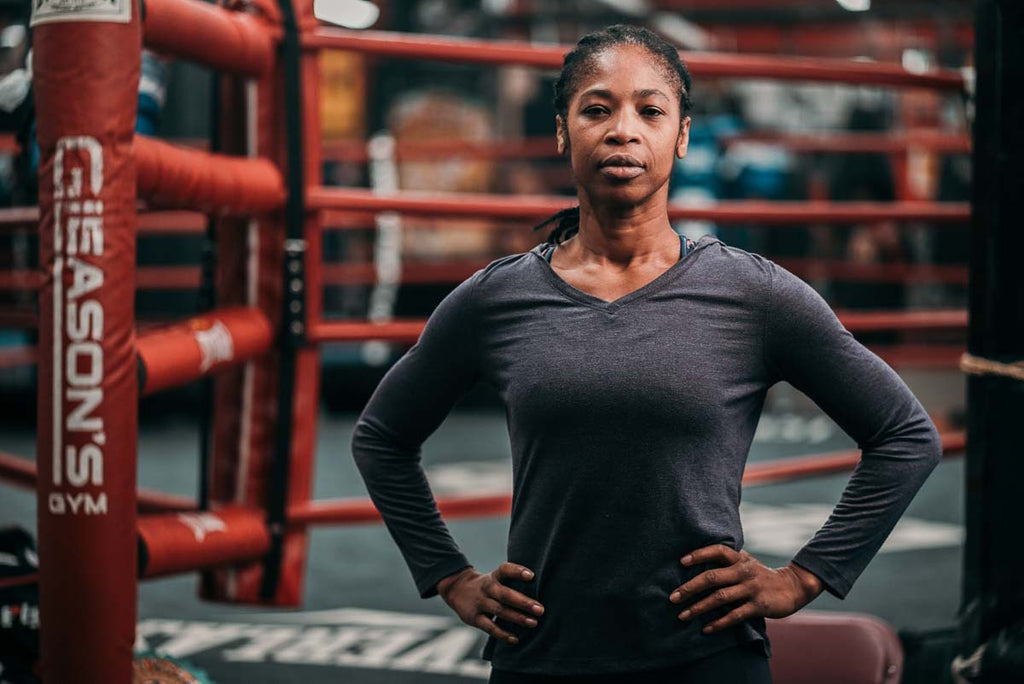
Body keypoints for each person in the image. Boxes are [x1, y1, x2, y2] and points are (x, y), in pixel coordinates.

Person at [350, 25, 943, 683]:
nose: (623, 129)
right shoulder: (498, 298)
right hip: (544, 656)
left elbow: (906, 436)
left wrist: (804, 578)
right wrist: (450, 576)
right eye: (597, 109)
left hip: (704, 655)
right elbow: (382, 436)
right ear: (561, 131)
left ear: (681, 135)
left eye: (650, 110)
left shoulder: (751, 293)